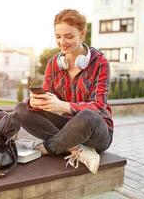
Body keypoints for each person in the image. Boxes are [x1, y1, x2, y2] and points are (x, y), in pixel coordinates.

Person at [15, 9, 113, 174]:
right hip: (67, 128)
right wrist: (36, 102)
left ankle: (47, 148)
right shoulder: (54, 63)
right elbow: (45, 101)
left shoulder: (100, 63)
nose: (62, 42)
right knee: (21, 109)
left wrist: (64, 106)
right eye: (58, 36)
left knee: (87, 115)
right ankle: (75, 148)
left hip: (96, 130)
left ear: (82, 34)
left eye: (69, 36)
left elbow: (99, 105)